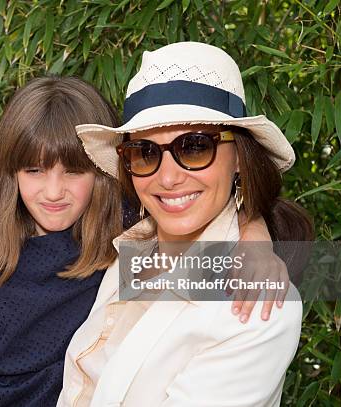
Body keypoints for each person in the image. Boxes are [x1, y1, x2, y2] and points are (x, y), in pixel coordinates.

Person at [0, 77, 288, 407]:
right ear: (10, 171)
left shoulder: (122, 225)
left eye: (74, 171)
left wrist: (255, 234)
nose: (53, 191)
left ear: (100, 173)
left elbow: (213, 201)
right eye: (34, 171)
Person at [58, 42, 314, 406]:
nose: (167, 178)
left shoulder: (259, 305)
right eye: (144, 153)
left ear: (239, 157)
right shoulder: (134, 242)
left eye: (194, 148)